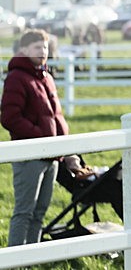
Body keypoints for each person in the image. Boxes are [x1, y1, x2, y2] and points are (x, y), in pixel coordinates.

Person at [1, 29, 81, 245]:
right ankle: (15, 260)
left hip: (52, 156)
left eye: (45, 47)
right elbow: (10, 117)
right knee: (24, 212)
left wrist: (68, 151)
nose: (43, 51)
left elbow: (57, 117)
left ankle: (32, 258)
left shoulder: (46, 78)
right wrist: (41, 138)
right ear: (24, 50)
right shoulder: (16, 78)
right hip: (30, 155)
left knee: (40, 213)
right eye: (37, 47)